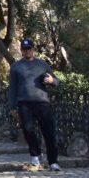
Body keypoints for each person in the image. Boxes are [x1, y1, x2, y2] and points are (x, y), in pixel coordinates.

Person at [8, 38, 61, 170]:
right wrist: (12, 107)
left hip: (42, 102)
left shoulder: (43, 65)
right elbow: (12, 88)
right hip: (24, 103)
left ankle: (53, 161)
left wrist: (51, 80)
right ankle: (35, 156)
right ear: (21, 51)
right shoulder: (15, 67)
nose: (27, 51)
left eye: (29, 48)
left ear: (33, 49)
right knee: (28, 130)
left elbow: (56, 81)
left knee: (49, 132)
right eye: (24, 49)